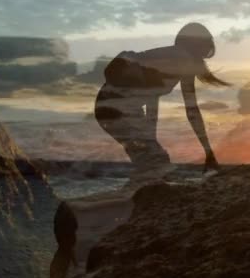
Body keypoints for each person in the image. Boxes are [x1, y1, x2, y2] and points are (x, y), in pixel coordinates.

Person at [94, 22, 229, 186]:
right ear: (200, 45)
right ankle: (135, 201)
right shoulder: (184, 61)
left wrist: (151, 137)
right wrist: (208, 151)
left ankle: (135, 199)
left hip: (105, 107)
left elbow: (152, 101)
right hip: (120, 111)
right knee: (156, 164)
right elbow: (192, 111)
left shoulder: (168, 55)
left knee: (152, 164)